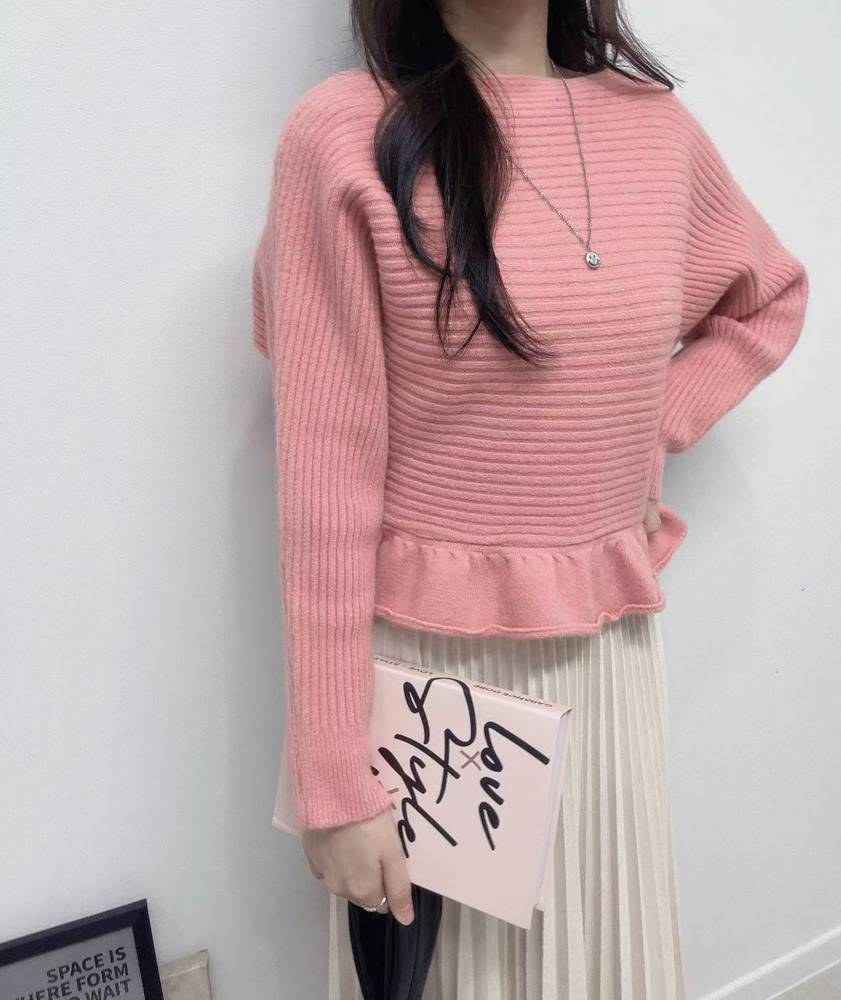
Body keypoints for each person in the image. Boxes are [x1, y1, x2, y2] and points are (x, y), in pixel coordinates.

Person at [251, 0, 810, 995]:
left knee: (607, 959)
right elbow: (325, 479)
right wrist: (333, 778)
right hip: (434, 689)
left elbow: (767, 296)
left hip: (604, 661)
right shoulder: (343, 133)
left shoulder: (657, 131)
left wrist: (645, 426)